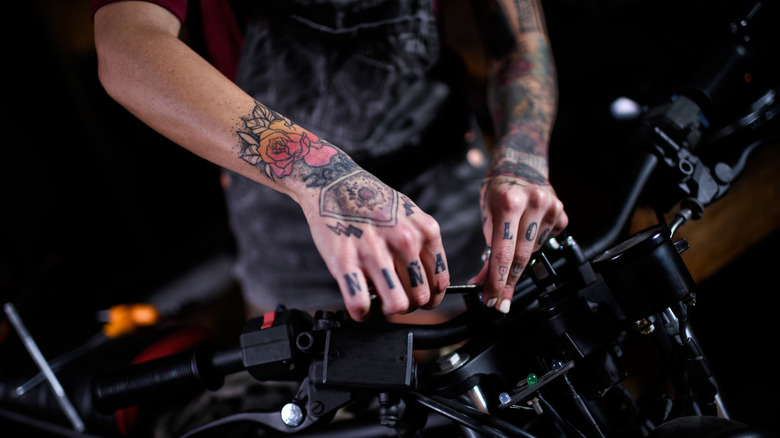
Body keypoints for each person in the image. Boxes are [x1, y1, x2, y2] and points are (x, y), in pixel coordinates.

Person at [91, 0, 569, 323]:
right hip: (283, 211)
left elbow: (519, 39)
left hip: (445, 186)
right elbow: (126, 42)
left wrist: (523, 157)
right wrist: (323, 177)